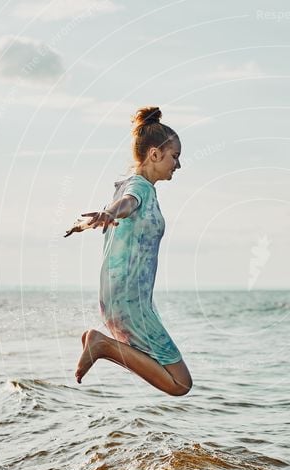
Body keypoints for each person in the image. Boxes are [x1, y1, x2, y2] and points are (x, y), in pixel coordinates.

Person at [64, 106, 192, 396]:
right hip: (129, 300)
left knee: (172, 376)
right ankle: (102, 345)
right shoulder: (138, 188)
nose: (178, 165)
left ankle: (102, 346)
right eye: (175, 156)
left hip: (124, 299)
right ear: (154, 154)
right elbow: (127, 205)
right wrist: (110, 212)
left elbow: (122, 207)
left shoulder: (129, 186)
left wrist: (102, 216)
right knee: (180, 383)